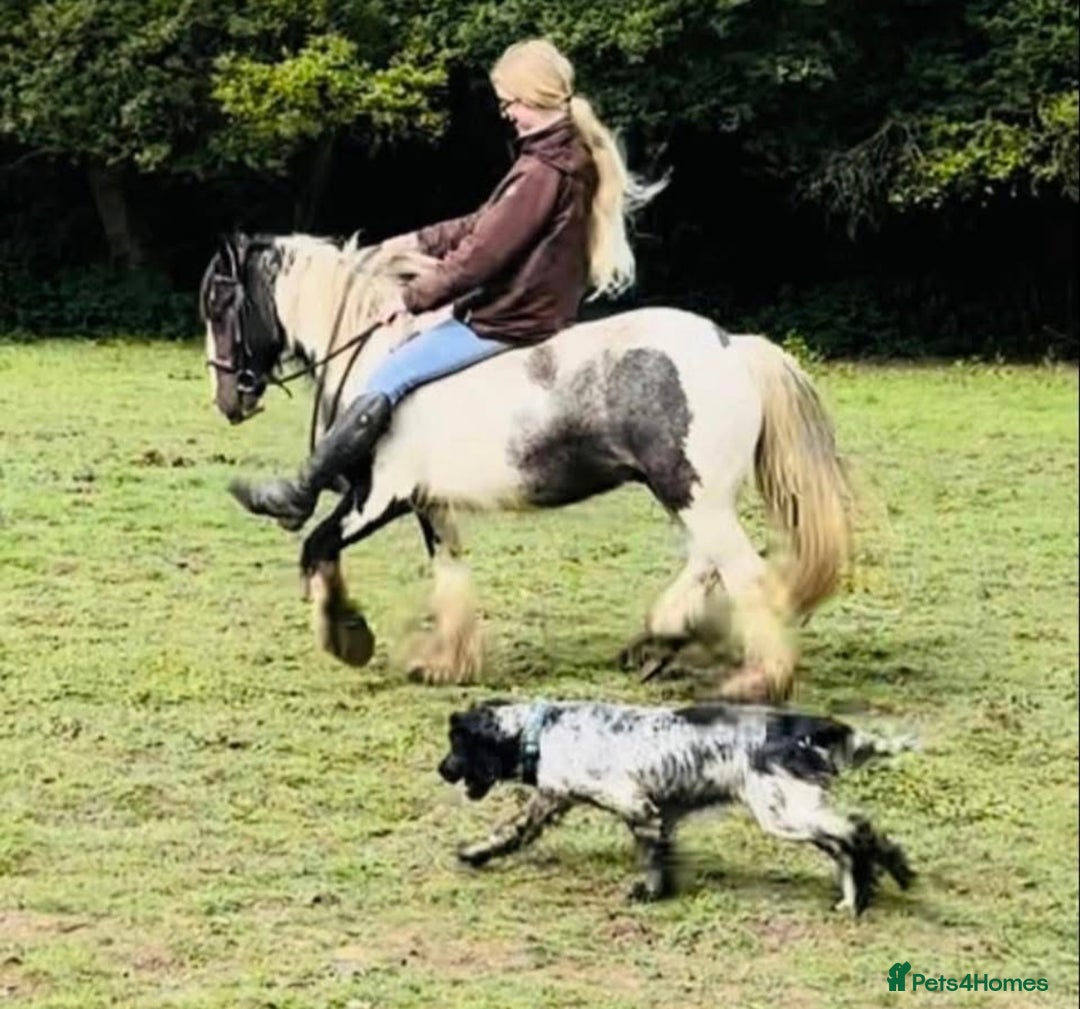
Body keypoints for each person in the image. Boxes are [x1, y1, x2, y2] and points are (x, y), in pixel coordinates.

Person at [232, 37, 663, 529]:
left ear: (535, 97)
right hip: (524, 306)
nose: (507, 115)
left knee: (391, 375)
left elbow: (483, 256)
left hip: (511, 316)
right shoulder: (558, 156)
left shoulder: (545, 170)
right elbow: (485, 223)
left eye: (510, 103)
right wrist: (416, 239)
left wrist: (411, 299)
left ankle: (302, 490)